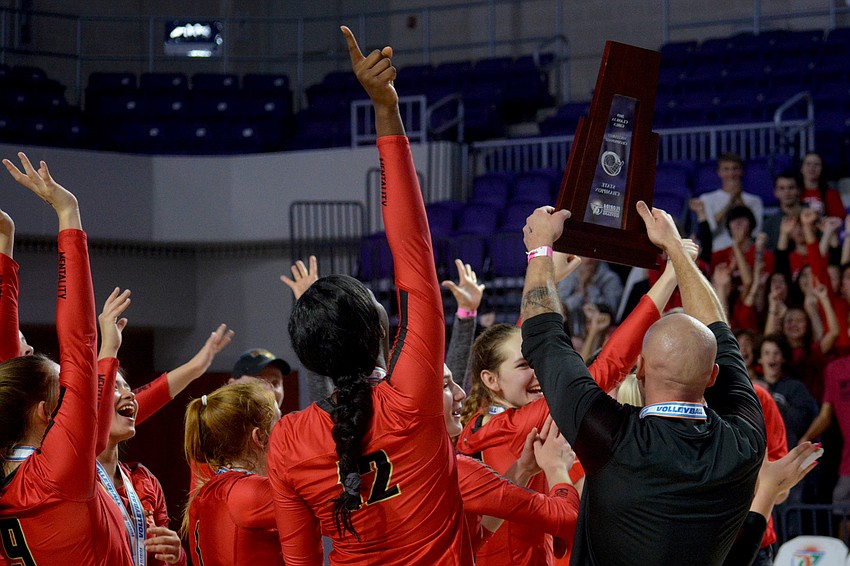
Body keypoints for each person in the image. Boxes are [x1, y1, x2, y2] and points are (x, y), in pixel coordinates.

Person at [266, 27, 473, 565]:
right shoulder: (414, 394)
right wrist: (387, 112)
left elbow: (299, 559)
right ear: (381, 327)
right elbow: (413, 252)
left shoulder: (287, 438)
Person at [519, 200, 766, 564]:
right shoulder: (744, 441)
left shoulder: (611, 436)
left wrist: (540, 247)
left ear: (641, 370)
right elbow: (719, 332)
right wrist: (678, 253)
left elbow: (543, 337)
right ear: (713, 375)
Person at [457, 253, 682, 566]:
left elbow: (518, 349)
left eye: (536, 363)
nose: (539, 373)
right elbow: (610, 365)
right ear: (490, 379)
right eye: (526, 366)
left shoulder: (485, 422)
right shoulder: (518, 424)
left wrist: (547, 283)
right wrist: (671, 277)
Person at [0, 152, 132, 564]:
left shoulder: (14, 473)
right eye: (64, 388)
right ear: (44, 412)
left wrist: (5, 244)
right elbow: (78, 342)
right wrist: (67, 213)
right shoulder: (57, 471)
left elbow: (7, 370)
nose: (79, 395)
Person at [183, 382, 283, 566]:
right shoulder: (250, 492)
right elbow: (331, 509)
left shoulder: (210, 490)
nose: (286, 433)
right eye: (279, 423)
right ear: (259, 437)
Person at [699, 152, 764, 252]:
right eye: (726, 169)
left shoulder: (754, 201)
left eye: (735, 169)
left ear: (742, 171)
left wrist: (739, 198)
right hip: (717, 250)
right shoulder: (707, 199)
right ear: (719, 172)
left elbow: (756, 231)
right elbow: (709, 229)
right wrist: (730, 202)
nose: (731, 174)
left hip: (746, 251)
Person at [763, 171, 802, 251]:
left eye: (791, 187)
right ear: (775, 193)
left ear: (798, 190)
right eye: (782, 188)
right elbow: (769, 254)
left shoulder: (811, 216)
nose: (787, 192)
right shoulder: (769, 223)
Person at [799, 152, 844, 218]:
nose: (812, 168)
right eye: (808, 164)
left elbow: (839, 219)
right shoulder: (794, 193)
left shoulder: (832, 194)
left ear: (822, 169)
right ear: (801, 168)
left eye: (816, 164)